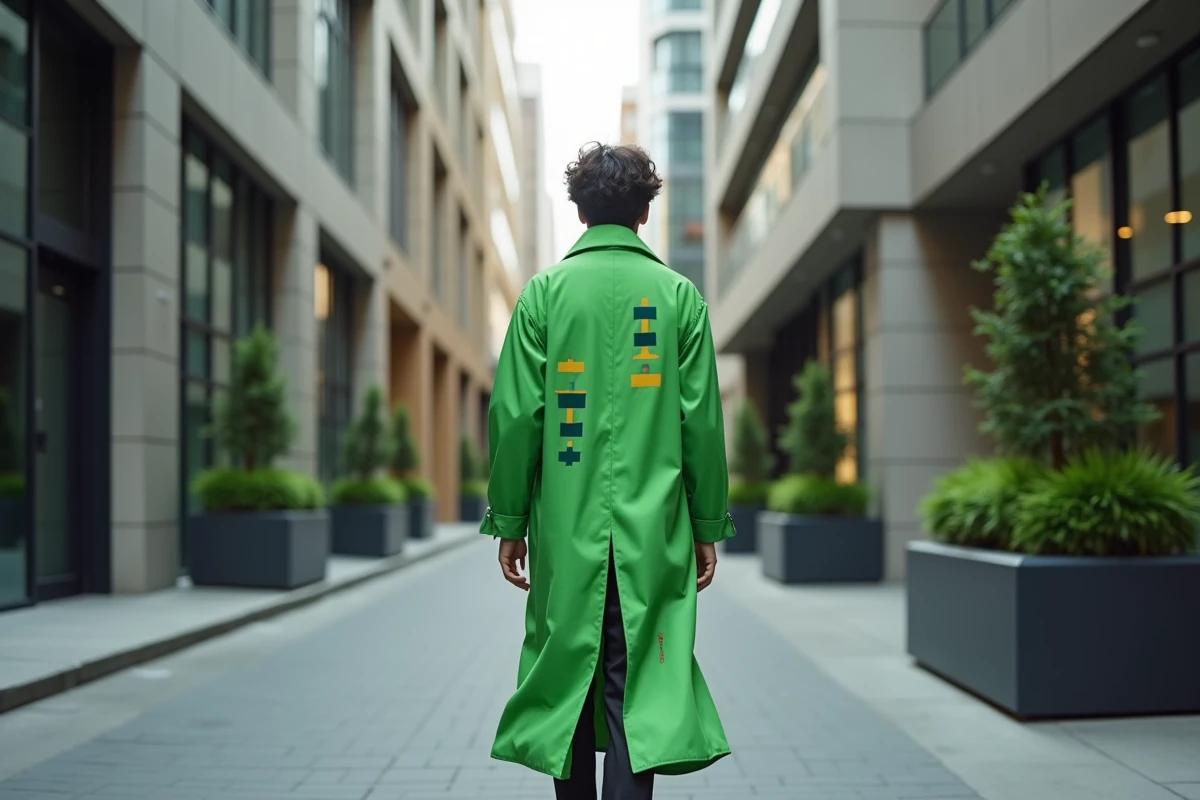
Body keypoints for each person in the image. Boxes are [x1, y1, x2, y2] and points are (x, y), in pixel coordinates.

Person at [480, 141, 735, 800]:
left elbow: (515, 419)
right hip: (655, 533)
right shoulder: (679, 299)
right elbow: (703, 427)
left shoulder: (543, 296)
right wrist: (707, 525)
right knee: (639, 684)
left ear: (580, 212)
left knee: (565, 674)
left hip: (567, 531)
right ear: (645, 213)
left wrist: (510, 520)